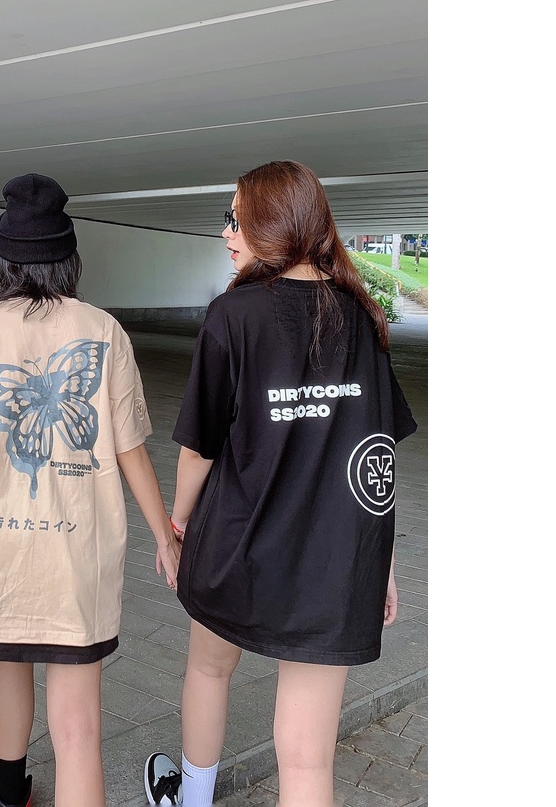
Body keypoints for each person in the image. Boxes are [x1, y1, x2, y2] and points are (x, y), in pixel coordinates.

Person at [0, 173, 181, 807]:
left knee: (9, 661)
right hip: (80, 548)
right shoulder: (104, 331)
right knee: (78, 727)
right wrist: (164, 536)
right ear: (70, 259)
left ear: (1, 261)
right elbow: (130, 448)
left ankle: (9, 795)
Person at [143, 160, 418, 807]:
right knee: (306, 756)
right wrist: (379, 565)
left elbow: (199, 450)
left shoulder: (232, 316)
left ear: (276, 223)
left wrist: (176, 526)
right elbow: (374, 458)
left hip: (235, 545)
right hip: (334, 564)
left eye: (237, 219)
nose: (226, 233)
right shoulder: (363, 317)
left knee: (209, 670)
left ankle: (192, 798)